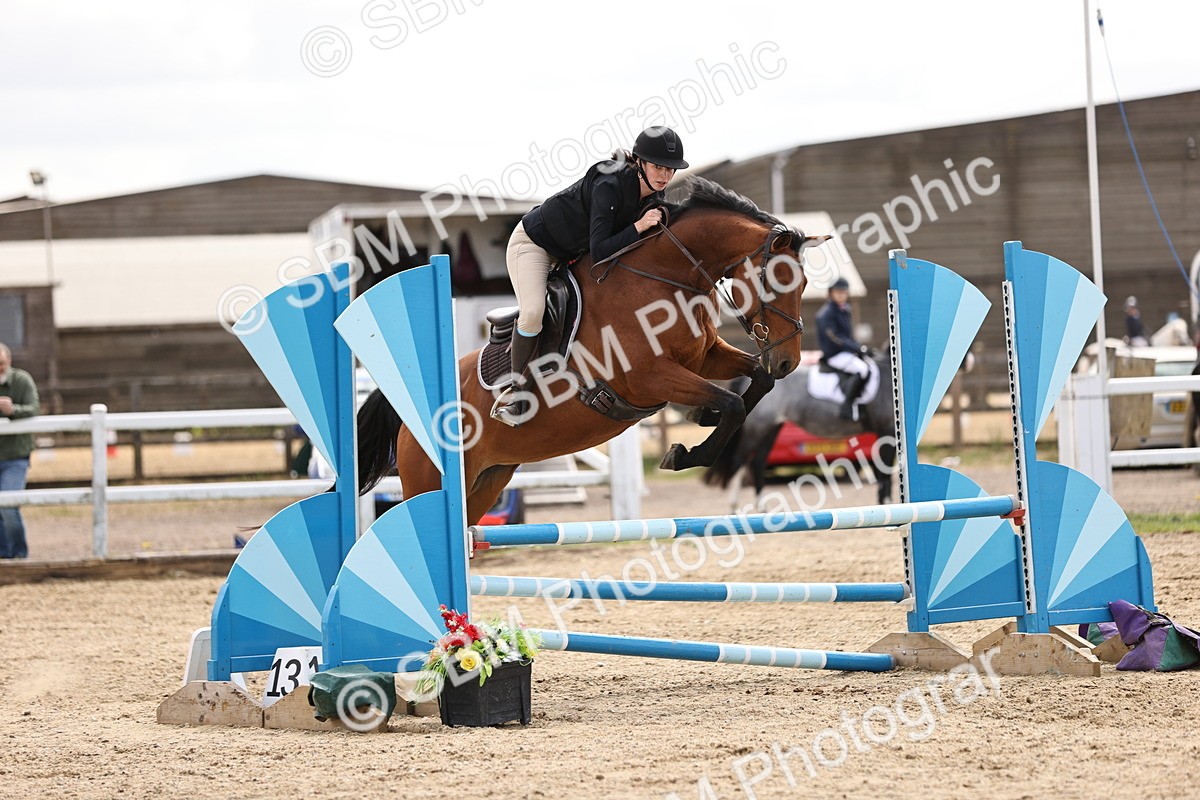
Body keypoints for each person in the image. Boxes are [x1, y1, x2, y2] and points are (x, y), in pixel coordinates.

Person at [492, 125, 689, 427]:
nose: (664, 175)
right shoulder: (609, 185)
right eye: (658, 166)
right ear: (640, 162)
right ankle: (517, 393)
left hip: (570, 253)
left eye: (670, 169)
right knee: (533, 312)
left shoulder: (653, 190)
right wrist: (638, 227)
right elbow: (600, 251)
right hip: (533, 245)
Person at [0, 343, 39, 559]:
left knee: (9, 506)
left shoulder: (22, 380)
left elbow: (34, 408)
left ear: (9, 362)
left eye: (1, 364)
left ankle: (18, 554)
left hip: (16, 455)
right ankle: (4, 555)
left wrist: (13, 410)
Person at [815, 278, 871, 420]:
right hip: (834, 354)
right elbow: (835, 338)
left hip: (846, 352)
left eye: (844, 292)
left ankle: (861, 403)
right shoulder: (825, 314)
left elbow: (848, 335)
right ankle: (846, 407)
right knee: (862, 370)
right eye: (838, 292)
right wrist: (857, 348)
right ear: (831, 293)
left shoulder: (845, 309)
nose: (841, 295)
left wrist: (860, 348)